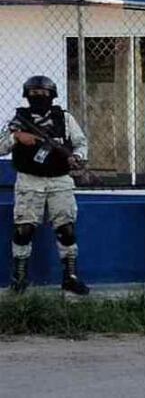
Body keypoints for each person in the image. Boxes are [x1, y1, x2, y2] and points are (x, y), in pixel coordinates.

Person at [2, 76, 90, 295]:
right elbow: (1, 146)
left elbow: (81, 143)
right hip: (29, 180)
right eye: (34, 93)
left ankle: (70, 277)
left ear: (52, 95)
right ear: (26, 96)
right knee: (24, 230)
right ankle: (19, 278)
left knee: (66, 229)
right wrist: (16, 137)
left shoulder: (65, 119)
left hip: (60, 179)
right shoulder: (18, 120)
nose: (39, 97)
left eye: (43, 93)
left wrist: (77, 157)